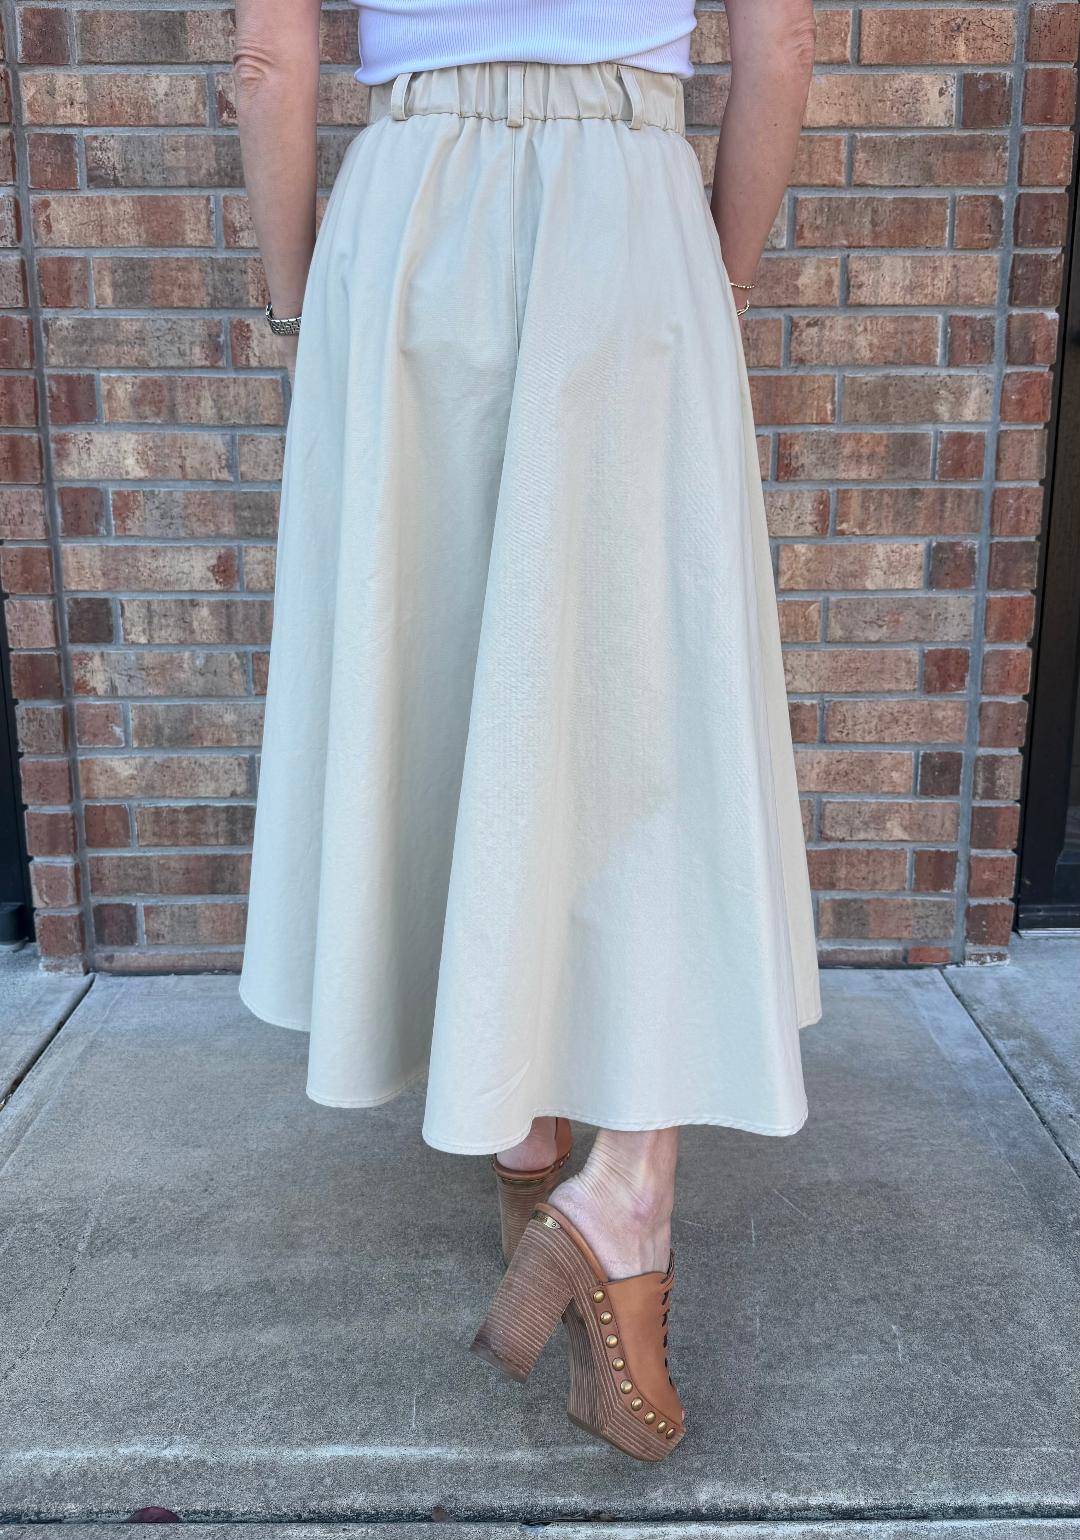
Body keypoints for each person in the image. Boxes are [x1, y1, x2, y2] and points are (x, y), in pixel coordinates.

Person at [234, 0, 821, 1461]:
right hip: (626, 202)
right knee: (646, 692)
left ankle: (523, 1136)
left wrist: (306, 300)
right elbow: (782, 45)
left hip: (409, 207)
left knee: (440, 650)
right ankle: (620, 1192)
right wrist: (714, 279)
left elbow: (269, 62)